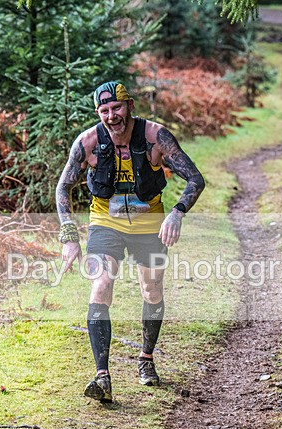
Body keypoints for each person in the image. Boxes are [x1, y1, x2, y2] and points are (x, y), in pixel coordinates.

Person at [55, 81, 205, 403]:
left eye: (117, 108)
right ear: (99, 113)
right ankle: (102, 376)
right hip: (105, 222)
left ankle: (146, 359)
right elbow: (62, 188)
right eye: (105, 111)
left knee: (151, 289)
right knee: (100, 284)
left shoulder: (155, 137)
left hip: (150, 221)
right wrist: (69, 236)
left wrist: (177, 213)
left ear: (130, 106)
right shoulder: (88, 143)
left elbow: (195, 178)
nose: (112, 116)